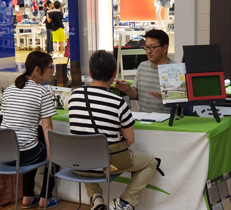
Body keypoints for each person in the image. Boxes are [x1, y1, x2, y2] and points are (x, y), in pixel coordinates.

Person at [68, 50, 158, 210]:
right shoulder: (118, 103)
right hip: (106, 165)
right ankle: (124, 202)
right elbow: (130, 140)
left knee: (87, 150)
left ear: (90, 72)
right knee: (151, 162)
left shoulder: (74, 96)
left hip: (77, 164)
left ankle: (96, 198)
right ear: (114, 73)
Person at [1, 51, 60, 209]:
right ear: (37, 70)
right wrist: (50, 153)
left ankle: (27, 197)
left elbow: (4, 120)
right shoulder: (42, 92)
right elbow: (48, 126)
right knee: (55, 154)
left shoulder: (9, 89)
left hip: (4, 154)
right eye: (50, 67)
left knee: (34, 138)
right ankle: (45, 200)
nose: (52, 70)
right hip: (22, 155)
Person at [115, 29, 175, 113]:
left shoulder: (174, 70)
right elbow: (137, 95)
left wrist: (167, 97)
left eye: (153, 47)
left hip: (168, 122)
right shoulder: (142, 66)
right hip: (145, 120)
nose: (149, 51)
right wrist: (127, 90)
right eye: (147, 47)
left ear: (165, 48)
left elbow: (181, 102)